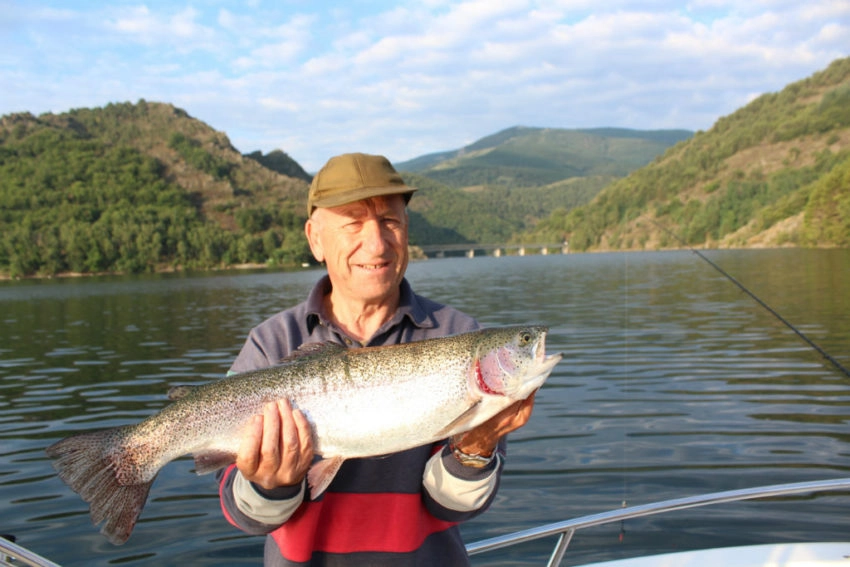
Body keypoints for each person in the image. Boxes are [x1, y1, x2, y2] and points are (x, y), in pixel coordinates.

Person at [217, 152, 538, 566]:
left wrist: (473, 450)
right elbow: (242, 514)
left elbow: (452, 508)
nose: (377, 243)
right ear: (315, 239)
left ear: (406, 231)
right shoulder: (270, 343)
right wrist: (270, 484)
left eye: (390, 222)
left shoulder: (461, 337)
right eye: (353, 222)